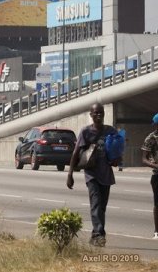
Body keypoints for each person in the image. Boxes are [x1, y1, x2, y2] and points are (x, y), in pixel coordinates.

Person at [66, 102, 120, 247]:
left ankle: (94, 235)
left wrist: (116, 159)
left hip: (106, 175)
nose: (98, 115)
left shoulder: (110, 131)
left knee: (102, 207)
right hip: (92, 175)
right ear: (91, 115)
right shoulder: (86, 132)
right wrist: (70, 174)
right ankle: (99, 235)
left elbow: (117, 151)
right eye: (95, 113)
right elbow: (76, 153)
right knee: (96, 204)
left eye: (101, 112)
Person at [141, 113, 158, 239]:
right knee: (157, 204)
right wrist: (156, 166)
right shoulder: (151, 138)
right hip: (157, 176)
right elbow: (144, 159)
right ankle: (157, 231)